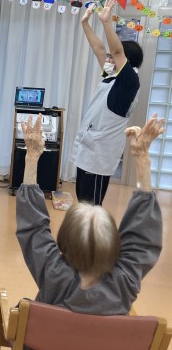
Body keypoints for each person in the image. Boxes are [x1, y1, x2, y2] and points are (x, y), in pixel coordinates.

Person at [16, 114, 163, 315]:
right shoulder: (124, 282)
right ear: (115, 246)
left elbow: (33, 227)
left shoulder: (53, 274)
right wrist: (142, 157)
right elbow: (143, 237)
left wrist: (32, 156)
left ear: (64, 241)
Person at [71, 0, 143, 205]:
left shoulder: (130, 81)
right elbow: (99, 49)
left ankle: (92, 228)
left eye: (114, 57)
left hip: (100, 153)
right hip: (88, 147)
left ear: (126, 61)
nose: (109, 59)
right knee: (82, 200)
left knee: (92, 205)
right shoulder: (112, 76)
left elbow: (117, 51)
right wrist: (85, 23)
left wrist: (106, 22)